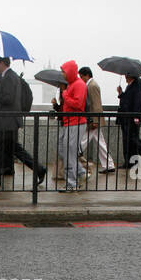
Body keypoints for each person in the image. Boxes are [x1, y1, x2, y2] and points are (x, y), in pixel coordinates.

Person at [0, 56, 46, 188]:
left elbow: (8, 99)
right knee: (15, 150)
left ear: (2, 63)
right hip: (8, 121)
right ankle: (39, 169)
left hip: (6, 121)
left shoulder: (9, 77)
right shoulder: (7, 76)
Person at [48, 60, 87, 191]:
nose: (62, 74)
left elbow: (77, 103)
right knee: (62, 149)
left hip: (75, 123)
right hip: (68, 123)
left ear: (70, 71)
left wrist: (64, 94)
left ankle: (72, 183)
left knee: (69, 152)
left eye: (64, 71)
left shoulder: (79, 85)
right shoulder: (71, 85)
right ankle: (80, 172)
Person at [77, 67, 116, 173]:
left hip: (93, 120)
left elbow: (96, 104)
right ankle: (109, 165)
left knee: (83, 141)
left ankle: (75, 154)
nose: (80, 79)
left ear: (86, 75)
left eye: (81, 76)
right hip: (94, 119)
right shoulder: (90, 85)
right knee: (101, 143)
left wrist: (95, 120)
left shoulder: (92, 86)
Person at [116, 73, 141, 167]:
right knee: (127, 140)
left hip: (132, 117)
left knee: (132, 138)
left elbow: (138, 100)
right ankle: (129, 162)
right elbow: (127, 100)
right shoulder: (130, 85)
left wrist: (137, 116)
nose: (125, 77)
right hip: (126, 117)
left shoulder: (138, 83)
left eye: (126, 75)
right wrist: (121, 94)